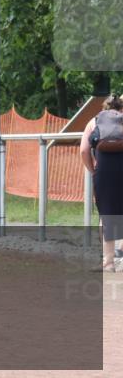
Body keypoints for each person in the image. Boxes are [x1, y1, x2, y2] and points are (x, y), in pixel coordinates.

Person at [80, 94, 123, 272]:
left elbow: (83, 150)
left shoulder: (94, 120)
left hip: (103, 172)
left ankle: (108, 263)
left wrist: (93, 170)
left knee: (107, 216)